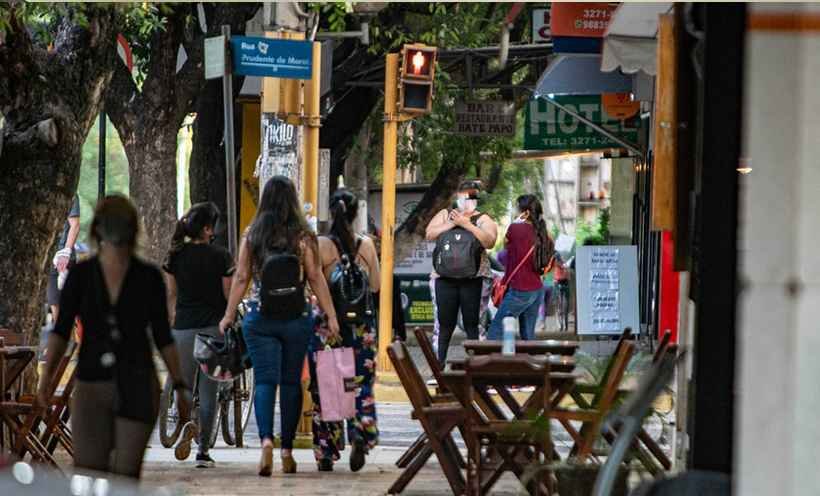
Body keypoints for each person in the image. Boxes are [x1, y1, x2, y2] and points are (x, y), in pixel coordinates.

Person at [38, 195, 191, 479]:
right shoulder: (142, 276)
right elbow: (162, 338)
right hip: (132, 381)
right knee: (118, 477)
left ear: (96, 229)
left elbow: (61, 335)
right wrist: (180, 385)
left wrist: (46, 379)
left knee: (97, 475)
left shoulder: (87, 275)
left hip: (105, 382)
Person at [219, 176, 340, 476]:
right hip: (296, 318)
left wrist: (228, 314)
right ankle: (287, 449)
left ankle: (265, 444)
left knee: (264, 381)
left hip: (260, 318)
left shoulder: (253, 233)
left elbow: (242, 277)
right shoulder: (303, 235)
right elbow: (315, 277)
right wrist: (332, 315)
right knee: (290, 383)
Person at [310, 188, 381, 472]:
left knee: (326, 386)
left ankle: (326, 451)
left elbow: (312, 283)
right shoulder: (366, 245)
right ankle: (360, 435)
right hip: (361, 326)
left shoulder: (320, 245)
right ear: (354, 214)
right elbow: (374, 286)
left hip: (328, 326)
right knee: (360, 385)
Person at [163, 202, 234, 468]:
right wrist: (231, 316)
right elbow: (228, 295)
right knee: (208, 392)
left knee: (184, 386)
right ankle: (203, 451)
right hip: (212, 330)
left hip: (182, 327)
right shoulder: (222, 257)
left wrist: (172, 320)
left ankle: (185, 424)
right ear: (207, 229)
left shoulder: (175, 256)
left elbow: (171, 295)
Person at [426, 180, 498, 363]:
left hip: (475, 278)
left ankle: (478, 371)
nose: (467, 198)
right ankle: (438, 368)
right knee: (443, 325)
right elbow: (429, 234)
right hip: (443, 278)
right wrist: (453, 223)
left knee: (474, 325)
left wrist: (466, 224)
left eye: (471, 195)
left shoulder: (483, 218)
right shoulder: (445, 214)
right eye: (464, 194)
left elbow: (489, 241)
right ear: (457, 195)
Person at [488, 195, 553, 341]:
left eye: (517, 208)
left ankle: (490, 363)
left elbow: (505, 244)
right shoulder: (544, 234)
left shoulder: (515, 228)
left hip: (519, 290)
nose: (516, 211)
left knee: (495, 332)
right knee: (528, 337)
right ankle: (531, 363)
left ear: (526, 212)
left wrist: (517, 222)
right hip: (537, 289)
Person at [47, 194, 80, 322]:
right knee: (54, 303)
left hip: (64, 257)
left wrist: (66, 251)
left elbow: (75, 224)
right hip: (49, 257)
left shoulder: (69, 192)